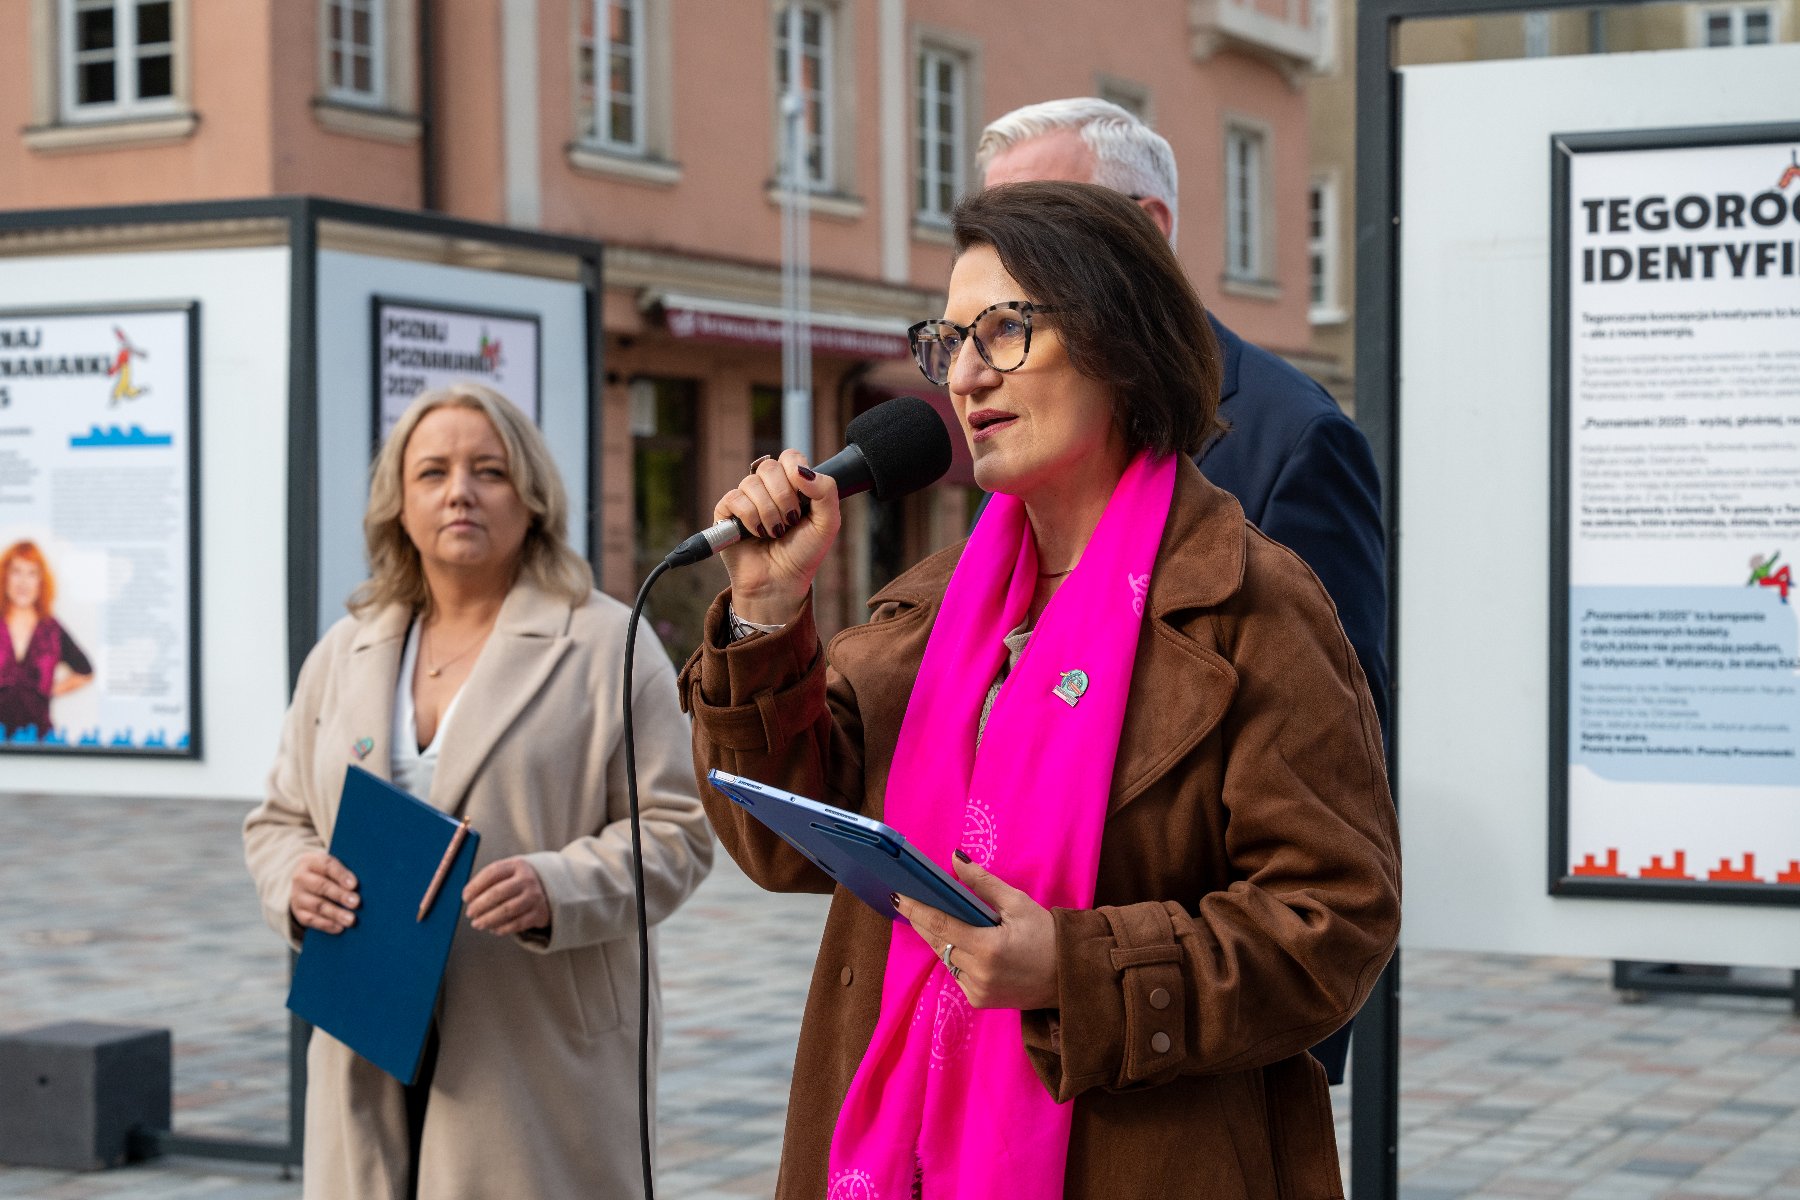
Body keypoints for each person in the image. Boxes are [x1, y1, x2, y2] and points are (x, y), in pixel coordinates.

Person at [682, 182, 1399, 1200]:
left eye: (1006, 330)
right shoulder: (935, 604)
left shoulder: (1253, 606)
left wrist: (1075, 970)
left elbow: (1336, 920)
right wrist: (764, 611)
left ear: (1121, 343)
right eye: (949, 342)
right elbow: (779, 844)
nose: (965, 375)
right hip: (900, 1157)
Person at [979, 96, 1389, 1083]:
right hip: (1013, 1011)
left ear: (1147, 228)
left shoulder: (1291, 435)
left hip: (1189, 1041)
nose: (1005, 254)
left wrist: (1265, 1035)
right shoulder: (1025, 426)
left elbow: (1339, 753)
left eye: (1042, 219)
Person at [244, 383, 712, 1200]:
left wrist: (557, 887)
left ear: (531, 496)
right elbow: (279, 819)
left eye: (487, 471)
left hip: (533, 1042)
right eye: (432, 472)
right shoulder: (345, 651)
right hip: (367, 1027)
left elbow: (676, 833)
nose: (459, 491)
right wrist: (294, 880)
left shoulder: (606, 643)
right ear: (399, 504)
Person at [1, 539, 93, 740]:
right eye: (16, 571)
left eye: (32, 573)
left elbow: (85, 671)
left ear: (41, 582)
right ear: (5, 576)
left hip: (39, 740)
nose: (23, 582)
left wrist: (49, 690)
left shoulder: (51, 630)